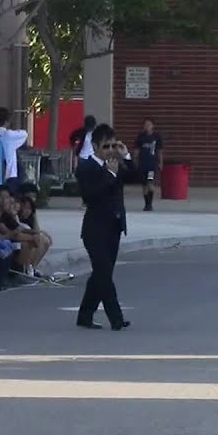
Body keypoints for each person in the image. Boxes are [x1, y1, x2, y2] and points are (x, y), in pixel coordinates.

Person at [75, 123, 132, 331]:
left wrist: (126, 157)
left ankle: (85, 315)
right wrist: (109, 175)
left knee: (101, 274)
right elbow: (90, 195)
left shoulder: (116, 164)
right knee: (104, 274)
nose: (110, 150)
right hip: (95, 229)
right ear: (95, 146)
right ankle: (116, 318)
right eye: (106, 146)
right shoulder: (86, 167)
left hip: (114, 227)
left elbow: (140, 177)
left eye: (113, 146)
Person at [134, 119, 163, 211]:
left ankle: (150, 203)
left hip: (152, 165)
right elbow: (137, 149)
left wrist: (160, 162)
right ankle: (146, 204)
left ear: (153, 126)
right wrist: (135, 160)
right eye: (146, 124)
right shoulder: (140, 137)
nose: (147, 126)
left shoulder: (156, 137)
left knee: (150, 182)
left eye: (149, 124)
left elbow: (159, 151)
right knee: (144, 185)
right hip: (143, 164)